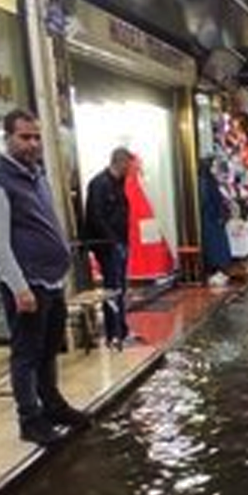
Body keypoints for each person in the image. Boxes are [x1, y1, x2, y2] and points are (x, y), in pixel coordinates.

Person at [0, 109, 90, 447]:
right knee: (26, 353)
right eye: (25, 137)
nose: (33, 143)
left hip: (51, 280)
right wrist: (19, 287)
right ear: (7, 138)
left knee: (49, 349)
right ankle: (30, 418)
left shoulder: (36, 175)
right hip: (27, 284)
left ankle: (52, 404)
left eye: (36, 137)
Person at [82, 147, 133, 349]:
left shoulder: (117, 183)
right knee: (113, 288)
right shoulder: (100, 184)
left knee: (119, 287)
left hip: (119, 242)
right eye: (128, 165)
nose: (130, 169)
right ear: (120, 163)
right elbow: (96, 216)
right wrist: (112, 242)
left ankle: (121, 328)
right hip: (108, 245)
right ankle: (114, 332)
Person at [197, 157, 233, 287]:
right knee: (216, 245)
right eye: (211, 165)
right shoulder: (207, 182)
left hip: (211, 219)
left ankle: (217, 270)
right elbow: (210, 200)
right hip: (212, 219)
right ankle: (218, 269)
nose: (213, 168)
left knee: (214, 245)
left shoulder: (205, 181)